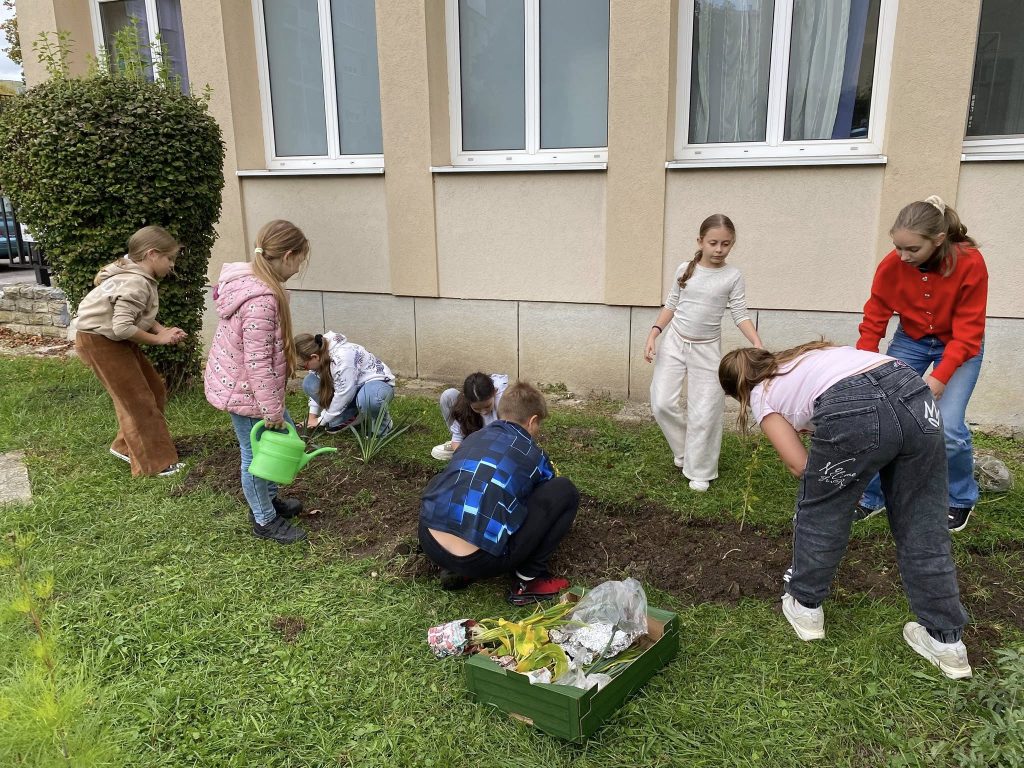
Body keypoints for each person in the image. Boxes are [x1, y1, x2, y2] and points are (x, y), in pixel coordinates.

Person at [719, 342, 972, 680]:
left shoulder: (761, 393)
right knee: (923, 523)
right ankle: (946, 642)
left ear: (739, 391)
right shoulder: (807, 356)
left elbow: (800, 465)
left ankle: (805, 606)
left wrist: (838, 474)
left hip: (854, 408)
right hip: (911, 389)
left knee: (822, 511)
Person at [856, 196, 988, 533]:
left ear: (938, 240)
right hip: (912, 339)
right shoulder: (893, 264)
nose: (902, 256)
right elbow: (875, 316)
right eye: (897, 247)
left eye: (912, 249)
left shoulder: (970, 262)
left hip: (960, 344)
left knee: (948, 426)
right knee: (883, 413)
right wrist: (864, 363)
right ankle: (873, 496)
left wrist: (941, 376)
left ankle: (959, 497)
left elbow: (968, 332)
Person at [419, 381, 579, 606]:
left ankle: (453, 568)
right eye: (539, 425)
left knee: (452, 481)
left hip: (429, 540)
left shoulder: (473, 438)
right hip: (480, 560)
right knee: (564, 491)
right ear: (532, 421)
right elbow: (543, 497)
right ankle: (529, 580)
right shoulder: (534, 454)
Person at [204, 220, 310, 545]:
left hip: (252, 388)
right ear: (288, 256)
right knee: (254, 454)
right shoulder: (261, 300)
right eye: (300, 260)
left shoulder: (253, 282)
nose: (299, 268)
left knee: (273, 445)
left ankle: (269, 500)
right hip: (247, 392)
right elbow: (257, 363)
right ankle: (264, 519)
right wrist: (271, 410)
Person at [645, 214, 763, 491]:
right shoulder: (684, 269)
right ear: (700, 241)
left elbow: (740, 313)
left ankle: (700, 470)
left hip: (708, 349)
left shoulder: (732, 276)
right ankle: (685, 450)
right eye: (713, 243)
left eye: (726, 244)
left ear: (732, 244)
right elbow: (671, 304)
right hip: (674, 343)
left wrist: (757, 341)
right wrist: (654, 333)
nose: (719, 249)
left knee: (706, 411)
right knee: (661, 402)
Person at [70, 225, 187, 477]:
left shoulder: (133, 273)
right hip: (100, 342)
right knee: (137, 399)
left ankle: (125, 446)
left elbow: (135, 314)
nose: (172, 265)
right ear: (152, 254)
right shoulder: (136, 282)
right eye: (169, 258)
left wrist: (162, 330)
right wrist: (159, 340)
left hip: (110, 338)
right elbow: (122, 327)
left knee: (153, 388)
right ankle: (155, 464)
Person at [294, 332, 396, 434]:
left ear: (315, 357)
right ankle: (353, 414)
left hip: (376, 385)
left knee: (369, 400)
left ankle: (382, 426)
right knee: (309, 382)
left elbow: (344, 393)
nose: (305, 369)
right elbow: (323, 386)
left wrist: (322, 419)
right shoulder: (319, 353)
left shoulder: (342, 359)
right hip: (351, 390)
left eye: (304, 366)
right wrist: (312, 418)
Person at [430, 372, 509, 461]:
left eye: (487, 406)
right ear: (467, 401)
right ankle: (466, 447)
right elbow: (457, 439)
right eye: (477, 409)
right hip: (476, 439)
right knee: (448, 395)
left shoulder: (503, 402)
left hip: (498, 442)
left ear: (495, 392)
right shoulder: (464, 408)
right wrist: (463, 456)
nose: (484, 412)